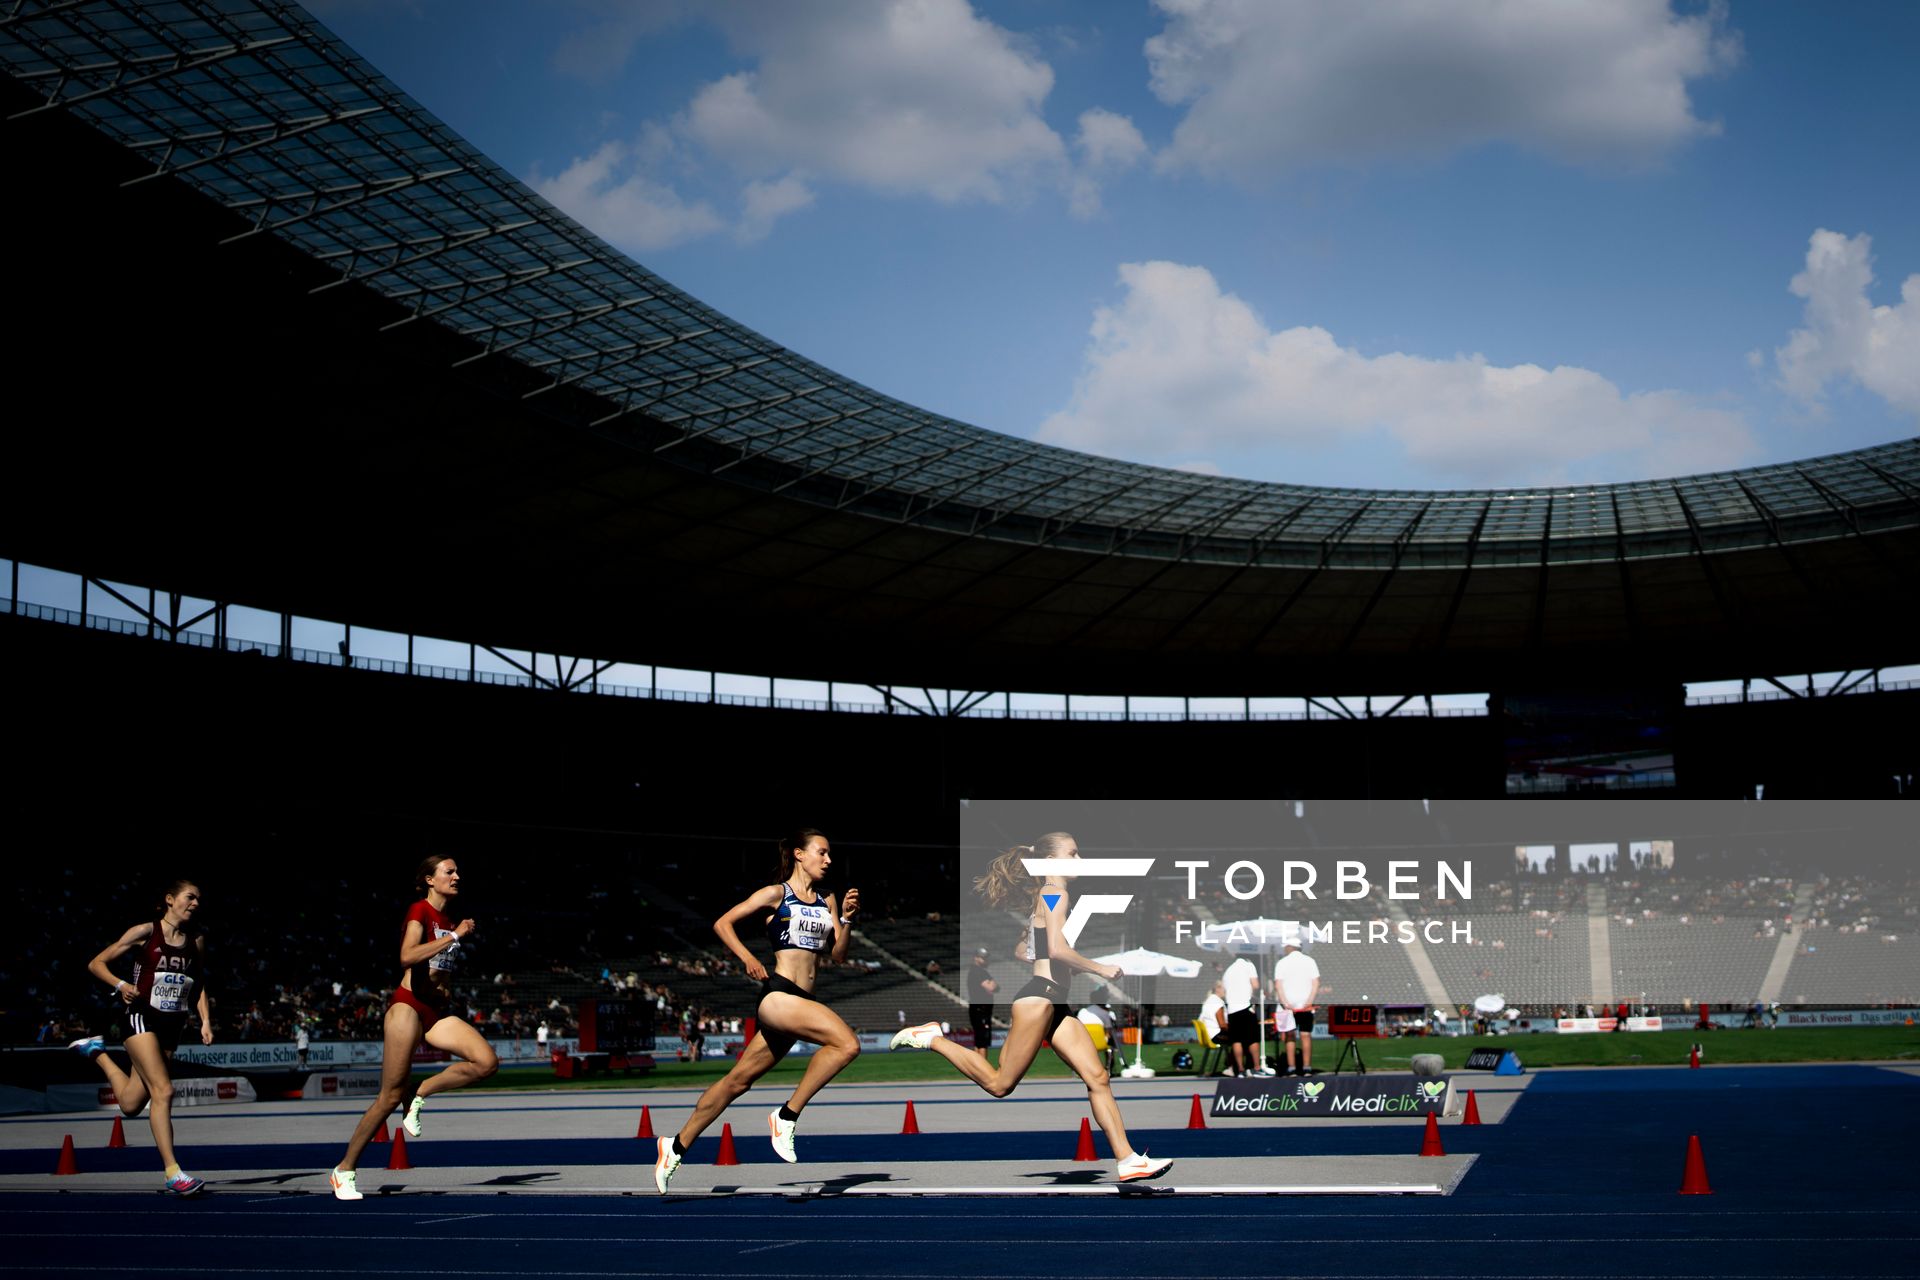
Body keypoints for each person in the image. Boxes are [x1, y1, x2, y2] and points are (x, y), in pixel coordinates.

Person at [888, 833, 1172, 1184]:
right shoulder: (1056, 893)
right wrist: (1100, 968)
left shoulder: (1048, 896)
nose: (1080, 859)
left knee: (1098, 1076)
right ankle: (934, 1038)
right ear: (1051, 862)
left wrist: (1039, 942)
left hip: (1055, 1002)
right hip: (1039, 1000)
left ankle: (1128, 1160)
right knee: (999, 1084)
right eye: (1073, 853)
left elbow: (1023, 950)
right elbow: (1054, 950)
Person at [654, 830, 862, 1193]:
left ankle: (674, 1146)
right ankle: (786, 1116)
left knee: (738, 1081)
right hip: (778, 996)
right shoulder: (775, 894)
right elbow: (723, 923)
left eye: (830, 855)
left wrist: (845, 920)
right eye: (822, 852)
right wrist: (748, 957)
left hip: (801, 1002)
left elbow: (839, 956)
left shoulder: (828, 899)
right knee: (847, 1045)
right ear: (799, 854)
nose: (829, 860)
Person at [329, 857, 498, 1202]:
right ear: (429, 879)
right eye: (449, 871)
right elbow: (407, 956)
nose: (456, 875)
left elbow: (439, 969)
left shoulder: (448, 920)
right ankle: (344, 1169)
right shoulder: (420, 911)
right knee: (388, 1097)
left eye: (456, 870)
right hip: (407, 1007)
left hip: (435, 1012)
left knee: (486, 1062)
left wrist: (447, 974)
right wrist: (454, 936)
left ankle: (419, 1092)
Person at [72, 877, 215, 1196]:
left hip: (171, 1026)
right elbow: (96, 963)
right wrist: (121, 985)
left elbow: (199, 982)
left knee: (132, 1103)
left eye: (198, 899)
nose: (196, 904)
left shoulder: (197, 939)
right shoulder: (145, 932)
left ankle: (97, 1053)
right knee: (163, 1091)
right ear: (170, 899)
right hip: (139, 1018)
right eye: (190, 897)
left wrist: (205, 1020)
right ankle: (173, 1172)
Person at [1273, 936, 1320, 1076]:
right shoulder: (1310, 961)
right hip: (1305, 1005)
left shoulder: (1281, 963)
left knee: (1289, 1036)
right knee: (1306, 1035)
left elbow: (1278, 985)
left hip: (1287, 1005)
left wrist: (1285, 1002)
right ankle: (1306, 1067)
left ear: (1289, 947)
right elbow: (1316, 983)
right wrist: (1309, 1001)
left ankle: (1292, 1067)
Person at [1221, 952, 1265, 1076]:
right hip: (1245, 1006)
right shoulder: (1249, 965)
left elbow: (1224, 991)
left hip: (1232, 1009)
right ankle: (1256, 1067)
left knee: (1237, 1040)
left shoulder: (1228, 971)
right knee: (1252, 1038)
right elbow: (1255, 985)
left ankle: (1240, 1069)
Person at [1076, 986, 1119, 1074]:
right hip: (1100, 1043)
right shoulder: (1104, 1013)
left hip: (1084, 1043)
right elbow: (1108, 1031)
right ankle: (1108, 1068)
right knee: (1110, 1044)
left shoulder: (1082, 1012)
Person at [967, 947, 998, 1060]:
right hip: (981, 1010)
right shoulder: (979, 972)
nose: (985, 960)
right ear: (976, 958)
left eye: (986, 958)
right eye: (983, 958)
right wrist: (993, 983)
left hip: (977, 1009)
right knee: (983, 1041)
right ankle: (982, 1068)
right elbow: (992, 987)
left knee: (978, 1041)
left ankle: (977, 1067)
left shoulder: (975, 971)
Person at [1197, 980, 1227, 1070]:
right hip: (1216, 1035)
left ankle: (1231, 1065)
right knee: (1242, 1038)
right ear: (1218, 989)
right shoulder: (1217, 1002)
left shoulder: (1208, 1001)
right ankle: (1236, 1067)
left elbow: (1200, 1020)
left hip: (1209, 1035)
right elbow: (1223, 1025)